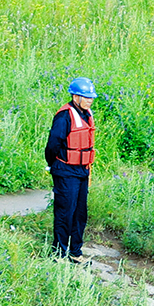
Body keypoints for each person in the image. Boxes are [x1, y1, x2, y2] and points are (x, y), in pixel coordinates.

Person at [45, 77, 98, 262]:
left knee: (80, 213)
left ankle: (76, 252)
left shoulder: (87, 113)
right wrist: (53, 164)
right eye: (86, 97)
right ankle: (59, 253)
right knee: (64, 212)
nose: (90, 100)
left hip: (82, 170)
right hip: (65, 170)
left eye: (91, 97)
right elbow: (53, 144)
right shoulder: (65, 115)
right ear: (76, 97)